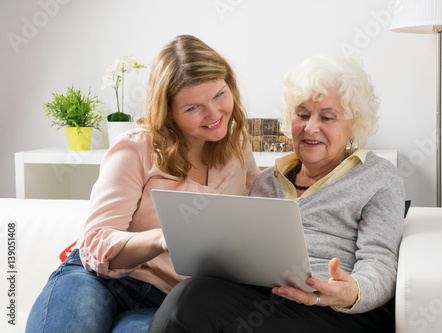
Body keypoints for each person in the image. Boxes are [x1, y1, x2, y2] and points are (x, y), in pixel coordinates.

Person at [148, 54, 405, 332]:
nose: (310, 127)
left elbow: (381, 261)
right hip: (266, 302)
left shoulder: (378, 176)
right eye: (302, 114)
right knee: (191, 292)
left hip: (335, 310)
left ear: (354, 124)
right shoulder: (267, 180)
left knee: (190, 300)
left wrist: (351, 291)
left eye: (327, 117)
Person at [26, 34, 260, 333]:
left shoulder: (239, 145)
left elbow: (256, 218)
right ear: (169, 113)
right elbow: (95, 242)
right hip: (94, 280)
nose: (214, 114)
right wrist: (164, 238)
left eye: (219, 95)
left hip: (166, 301)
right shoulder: (137, 148)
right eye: (193, 108)